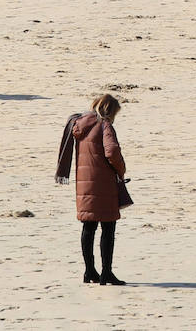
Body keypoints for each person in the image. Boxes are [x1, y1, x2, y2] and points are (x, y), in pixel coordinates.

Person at [55, 94, 129, 286]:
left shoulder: (79, 124)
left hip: (84, 184)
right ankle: (106, 273)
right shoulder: (105, 126)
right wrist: (121, 169)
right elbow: (111, 151)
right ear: (110, 111)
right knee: (108, 227)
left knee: (88, 227)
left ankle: (89, 270)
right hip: (103, 183)